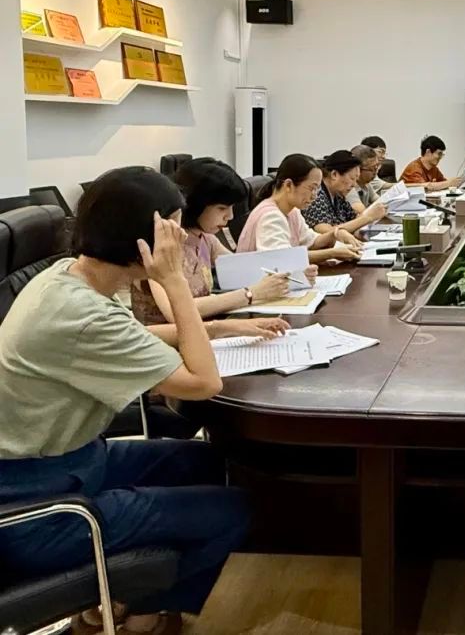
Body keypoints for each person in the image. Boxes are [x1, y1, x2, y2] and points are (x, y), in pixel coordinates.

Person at [0, 168, 284, 635]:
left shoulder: (67, 277)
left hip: (73, 460)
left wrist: (220, 327)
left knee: (212, 461)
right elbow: (204, 382)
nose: (179, 238)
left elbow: (129, 335)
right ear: (140, 241)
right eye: (171, 230)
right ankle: (141, 615)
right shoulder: (82, 312)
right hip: (38, 507)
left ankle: (120, 600)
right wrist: (174, 281)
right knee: (234, 511)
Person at [130, 158, 295, 325]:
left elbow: (247, 268)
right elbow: (175, 312)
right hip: (165, 338)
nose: (230, 216)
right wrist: (250, 293)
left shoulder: (206, 239)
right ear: (195, 204)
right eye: (222, 208)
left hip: (205, 330)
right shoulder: (161, 245)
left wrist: (295, 273)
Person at [236, 153, 361, 263]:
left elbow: (312, 241)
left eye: (317, 189)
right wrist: (332, 253)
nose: (314, 196)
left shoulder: (293, 211)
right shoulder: (270, 216)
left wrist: (335, 234)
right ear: (288, 185)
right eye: (312, 188)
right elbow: (282, 258)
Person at [301, 150, 387, 235]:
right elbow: (327, 232)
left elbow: (355, 220)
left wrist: (373, 215)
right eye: (352, 178)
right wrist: (368, 217)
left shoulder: (338, 195)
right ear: (334, 174)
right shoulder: (315, 195)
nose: (354, 184)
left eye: (356, 180)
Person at [347, 144, 382, 209]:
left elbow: (379, 202)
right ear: (357, 170)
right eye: (372, 168)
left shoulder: (366, 184)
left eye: (377, 166)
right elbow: (360, 210)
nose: (376, 172)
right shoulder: (349, 188)